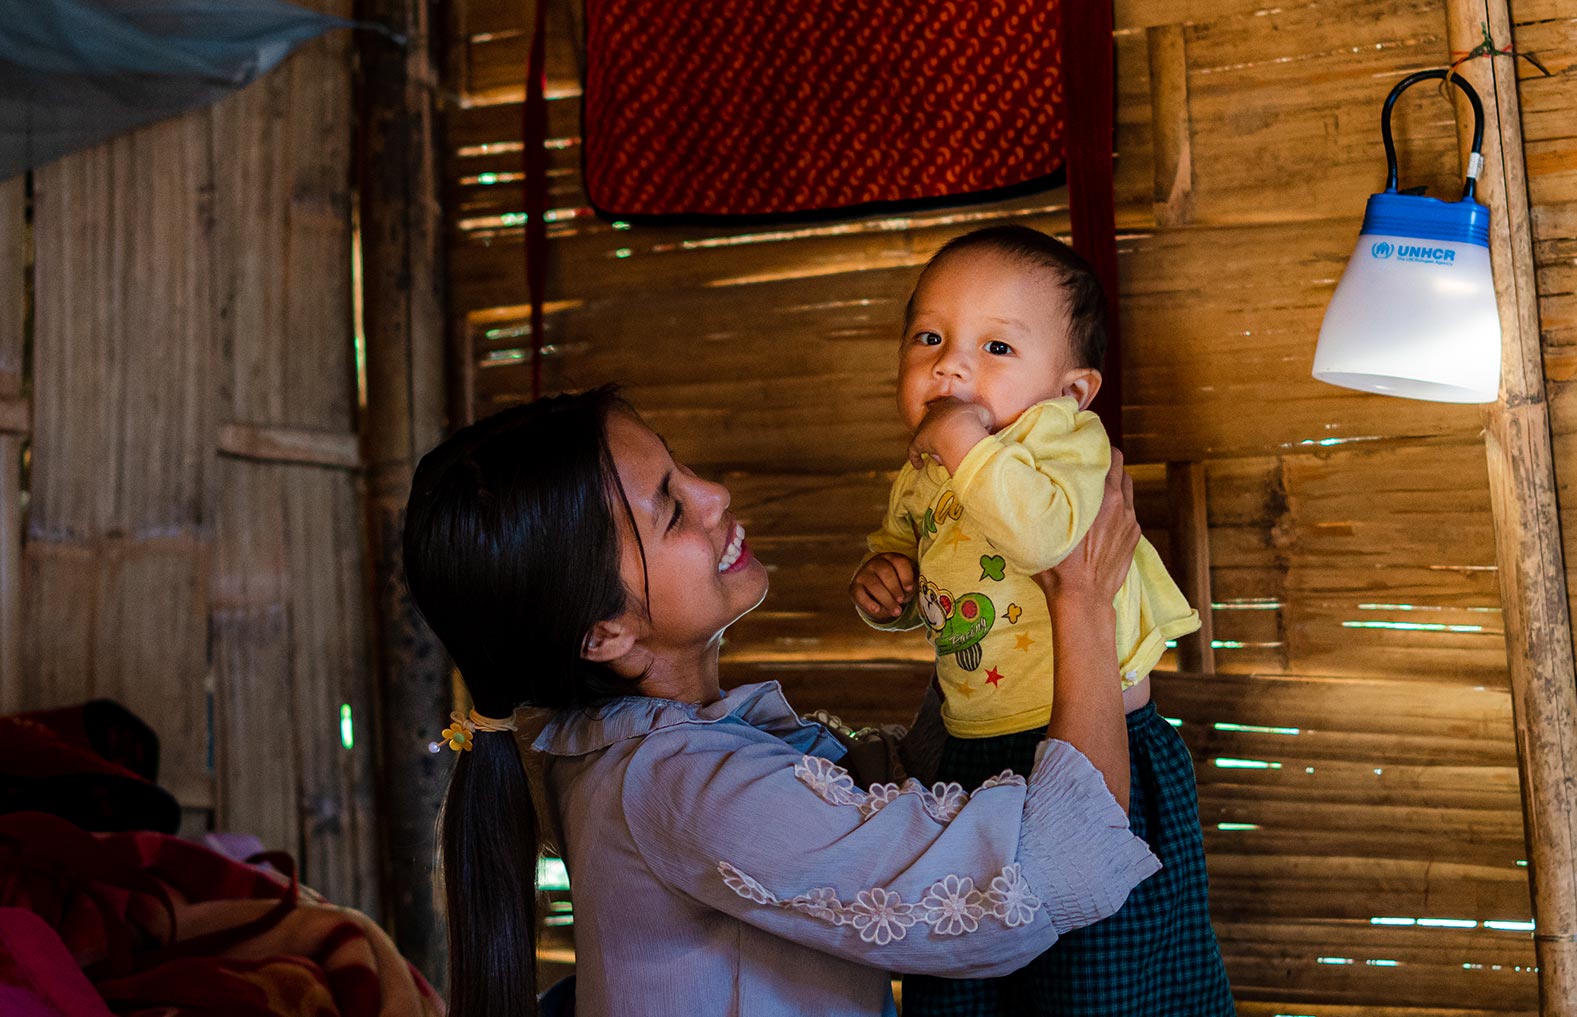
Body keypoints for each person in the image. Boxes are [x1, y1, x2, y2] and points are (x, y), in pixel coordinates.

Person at [402, 385, 1161, 1017]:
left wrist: (990, 610)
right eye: (669, 509)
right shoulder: (682, 785)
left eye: (681, 467)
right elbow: (1057, 865)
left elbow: (893, 790)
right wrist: (1082, 598)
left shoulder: (635, 751)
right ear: (602, 631)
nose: (713, 494)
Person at [849, 224, 1234, 1015]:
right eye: (929, 337)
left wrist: (960, 441)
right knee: (971, 974)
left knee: (1100, 982)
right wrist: (885, 584)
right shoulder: (925, 468)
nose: (950, 363)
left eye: (996, 348)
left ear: (1070, 389)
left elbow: (1048, 537)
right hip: (971, 750)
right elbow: (926, 573)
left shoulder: (1059, 442)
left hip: (1101, 752)